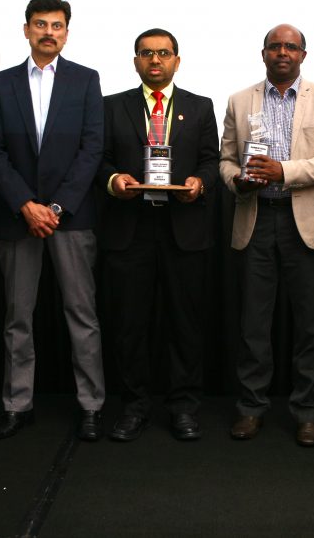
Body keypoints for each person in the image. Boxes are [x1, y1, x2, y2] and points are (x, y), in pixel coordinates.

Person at [0, 0, 106, 441]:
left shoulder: (86, 80)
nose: (48, 32)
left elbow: (92, 149)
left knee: (82, 315)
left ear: (66, 33)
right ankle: (17, 405)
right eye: (40, 24)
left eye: (56, 25)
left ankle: (91, 405)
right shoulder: (0, 85)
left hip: (70, 218)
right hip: (18, 217)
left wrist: (54, 208)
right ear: (26, 29)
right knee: (18, 318)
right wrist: (25, 205)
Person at [219, 24, 314, 447]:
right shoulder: (239, 100)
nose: (282, 52)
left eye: (291, 47)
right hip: (256, 218)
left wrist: (283, 172)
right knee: (253, 323)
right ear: (263, 54)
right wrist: (237, 180)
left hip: (305, 222)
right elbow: (225, 159)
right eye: (275, 46)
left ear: (302, 55)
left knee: (311, 325)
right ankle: (250, 408)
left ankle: (309, 412)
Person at [96, 28, 219, 442]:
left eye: (163, 53)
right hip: (130, 227)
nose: (155, 60)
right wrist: (113, 180)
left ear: (176, 62)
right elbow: (99, 159)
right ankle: (134, 406)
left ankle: (184, 407)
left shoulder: (200, 107)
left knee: (185, 323)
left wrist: (200, 183)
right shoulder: (112, 106)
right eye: (146, 53)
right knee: (130, 324)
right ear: (135, 61)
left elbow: (211, 160)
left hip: (183, 227)